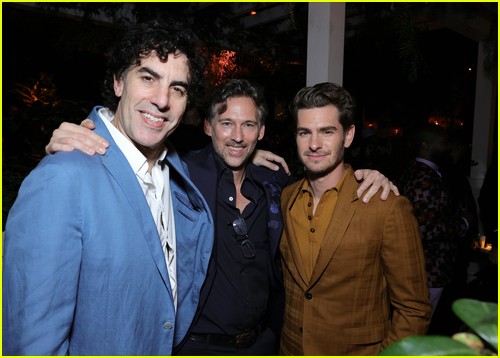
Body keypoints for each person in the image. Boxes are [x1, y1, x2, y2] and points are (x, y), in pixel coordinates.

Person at [45, 79, 399, 355]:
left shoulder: (278, 185)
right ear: (208, 127)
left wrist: (368, 175)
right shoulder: (177, 172)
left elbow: (324, 181)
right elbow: (128, 158)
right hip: (195, 346)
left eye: (248, 126)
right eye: (226, 123)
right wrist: (78, 138)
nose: (237, 136)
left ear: (261, 133)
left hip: (264, 344)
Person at [3, 20, 214, 355]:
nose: (162, 100)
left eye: (178, 88)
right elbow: (32, 341)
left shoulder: (176, 173)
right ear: (118, 82)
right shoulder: (62, 178)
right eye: (148, 78)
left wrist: (251, 156)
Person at [279, 82, 431, 355]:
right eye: (305, 132)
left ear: (348, 136)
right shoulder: (286, 197)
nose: (314, 144)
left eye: (327, 132)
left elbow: (414, 309)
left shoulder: (386, 207)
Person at [399, 124, 469, 316]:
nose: (448, 147)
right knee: (418, 325)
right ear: (425, 145)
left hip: (432, 267)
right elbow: (425, 228)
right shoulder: (422, 176)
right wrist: (463, 224)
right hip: (428, 268)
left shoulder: (425, 172)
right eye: (443, 142)